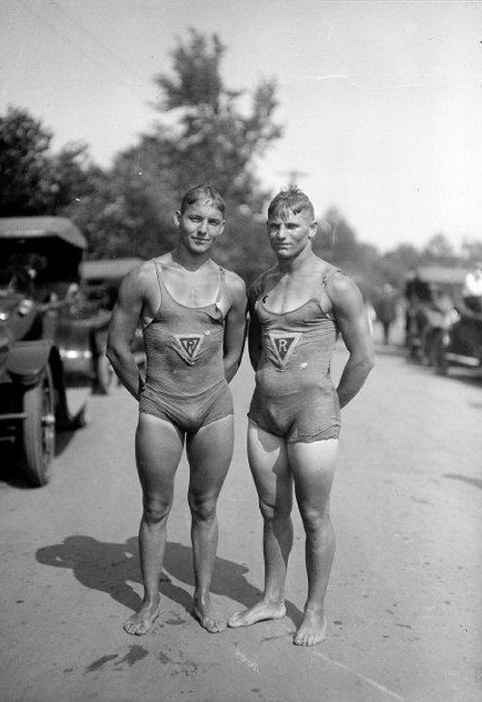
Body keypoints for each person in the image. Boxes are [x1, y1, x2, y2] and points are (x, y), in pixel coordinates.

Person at [228, 186, 374, 646]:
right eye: (274, 224)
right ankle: (272, 599)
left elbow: (363, 358)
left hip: (313, 418)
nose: (281, 233)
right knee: (272, 510)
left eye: (292, 225)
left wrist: (329, 404)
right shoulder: (263, 284)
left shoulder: (336, 284)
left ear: (311, 229)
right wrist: (277, 388)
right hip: (265, 415)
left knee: (314, 516)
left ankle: (314, 610)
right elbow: (258, 356)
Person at [107, 185, 247, 636]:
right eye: (194, 219)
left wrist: (208, 390)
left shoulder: (232, 285)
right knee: (155, 506)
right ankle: (150, 600)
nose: (201, 229)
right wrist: (149, 396)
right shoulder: (145, 277)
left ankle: (202, 598)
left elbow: (234, 352)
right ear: (177, 218)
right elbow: (117, 348)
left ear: (221, 228)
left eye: (211, 222)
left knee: (205, 506)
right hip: (159, 407)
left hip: (213, 410)